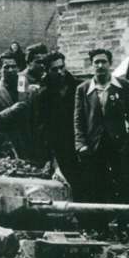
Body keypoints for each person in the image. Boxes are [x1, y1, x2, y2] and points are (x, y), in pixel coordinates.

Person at [74, 48, 129, 238]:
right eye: (96, 62)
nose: (100, 66)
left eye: (103, 62)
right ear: (91, 65)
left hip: (119, 148)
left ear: (110, 64)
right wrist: (81, 144)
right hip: (94, 148)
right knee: (96, 188)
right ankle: (100, 230)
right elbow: (78, 120)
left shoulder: (123, 86)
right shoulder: (83, 89)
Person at [0, 51, 45, 163]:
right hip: (6, 149)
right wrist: (11, 110)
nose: (11, 70)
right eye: (7, 67)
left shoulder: (27, 88)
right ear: (0, 69)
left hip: (30, 147)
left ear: (18, 68)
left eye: (14, 66)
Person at [38, 51, 83, 199]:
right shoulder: (43, 95)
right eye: (54, 69)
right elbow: (42, 127)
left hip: (82, 147)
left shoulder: (80, 87)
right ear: (47, 71)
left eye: (62, 67)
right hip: (60, 150)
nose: (60, 72)